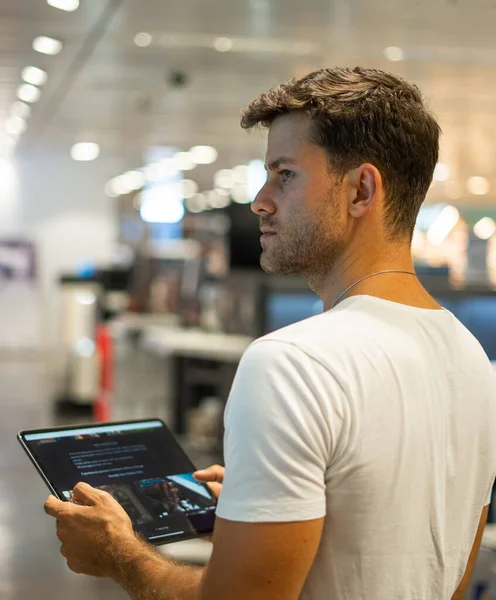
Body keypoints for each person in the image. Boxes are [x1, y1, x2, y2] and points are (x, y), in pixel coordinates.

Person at [44, 67, 496, 600]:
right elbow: (442, 575)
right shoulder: (470, 358)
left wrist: (120, 553)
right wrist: (272, 509)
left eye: (284, 175)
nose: (259, 200)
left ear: (361, 190)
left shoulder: (292, 362)